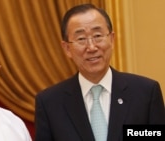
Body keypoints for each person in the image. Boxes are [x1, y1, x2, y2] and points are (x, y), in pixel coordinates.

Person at [34, 3, 165, 141]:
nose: (91, 47)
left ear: (112, 39)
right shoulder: (50, 103)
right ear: (67, 48)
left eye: (97, 35)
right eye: (81, 39)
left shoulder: (145, 93)